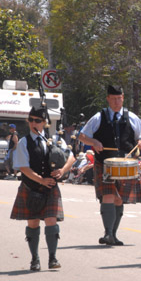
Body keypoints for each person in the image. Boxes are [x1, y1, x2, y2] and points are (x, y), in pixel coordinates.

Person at [79, 85, 141, 246]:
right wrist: (93, 141)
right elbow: (82, 136)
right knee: (108, 196)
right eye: (113, 98)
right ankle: (108, 233)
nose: (117, 101)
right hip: (104, 163)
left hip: (126, 164)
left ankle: (113, 235)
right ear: (108, 98)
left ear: (123, 98)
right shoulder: (98, 117)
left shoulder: (132, 117)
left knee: (119, 200)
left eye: (119, 98)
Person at [10, 106, 75, 271]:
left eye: (37, 120)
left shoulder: (55, 139)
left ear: (45, 123)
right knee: (33, 223)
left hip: (50, 187)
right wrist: (41, 180)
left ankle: (53, 258)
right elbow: (23, 167)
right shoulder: (24, 142)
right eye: (30, 120)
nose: (33, 123)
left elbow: (71, 157)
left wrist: (62, 170)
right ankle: (35, 259)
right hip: (30, 187)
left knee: (51, 221)